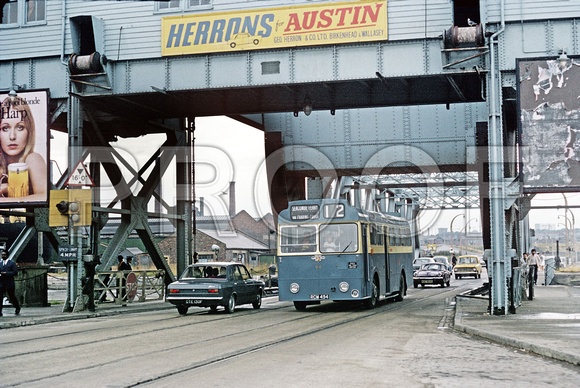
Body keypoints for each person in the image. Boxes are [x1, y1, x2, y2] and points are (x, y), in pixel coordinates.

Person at [0, 95, 47, 202]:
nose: (12, 136)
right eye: (5, 128)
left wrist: (4, 199)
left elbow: (45, 197)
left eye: (20, 127)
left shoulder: (33, 159)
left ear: (28, 131)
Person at [0, 250, 20, 316]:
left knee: (12, 296)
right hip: (2, 282)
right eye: (2, 255)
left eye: (4, 255)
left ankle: (17, 307)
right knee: (0, 297)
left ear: (7, 255)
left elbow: (15, 272)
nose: (3, 256)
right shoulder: (0, 263)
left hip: (9, 282)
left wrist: (7, 273)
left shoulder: (11, 263)